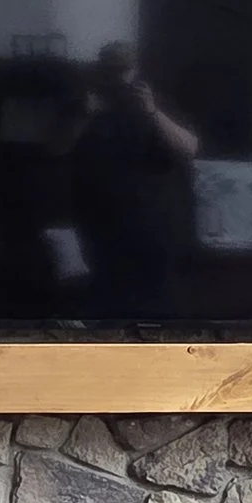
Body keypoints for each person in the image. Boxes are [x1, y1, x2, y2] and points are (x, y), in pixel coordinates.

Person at [69, 41, 198, 318]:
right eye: (110, 69)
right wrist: (83, 115)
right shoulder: (85, 103)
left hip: (155, 222)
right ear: (99, 70)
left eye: (123, 69)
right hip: (100, 223)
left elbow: (189, 148)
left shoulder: (155, 100)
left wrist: (152, 112)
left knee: (157, 303)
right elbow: (54, 149)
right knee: (105, 302)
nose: (117, 78)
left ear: (136, 69)